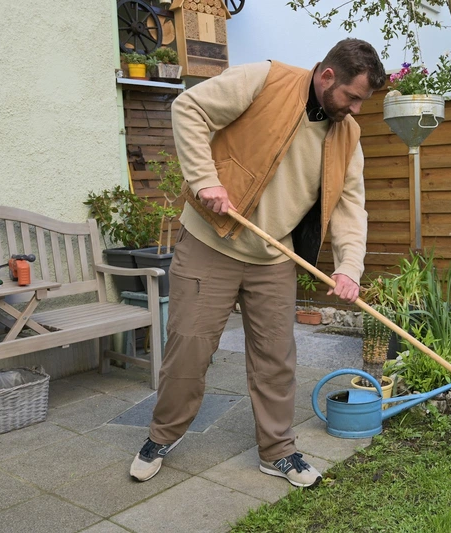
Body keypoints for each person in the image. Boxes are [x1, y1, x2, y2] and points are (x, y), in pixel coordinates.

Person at [129, 38, 386, 488]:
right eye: (353, 97)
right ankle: (161, 436)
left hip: (273, 256)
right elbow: (188, 108)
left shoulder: (348, 135)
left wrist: (349, 267)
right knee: (189, 349)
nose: (356, 109)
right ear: (328, 76)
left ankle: (277, 451)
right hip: (212, 241)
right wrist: (205, 180)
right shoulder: (263, 79)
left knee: (276, 359)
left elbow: (350, 205)